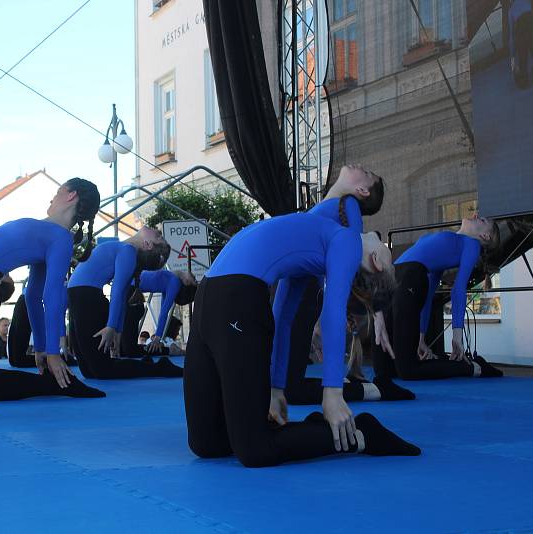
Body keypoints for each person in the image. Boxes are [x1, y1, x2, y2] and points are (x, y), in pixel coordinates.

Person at [184, 211, 420, 467]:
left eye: (392, 263)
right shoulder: (325, 242)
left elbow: (332, 313)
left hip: (235, 299)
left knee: (255, 451)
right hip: (211, 297)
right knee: (207, 444)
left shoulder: (346, 241)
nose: (392, 257)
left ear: (377, 262)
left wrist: (332, 393)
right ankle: (312, 431)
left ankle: (361, 434)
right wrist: (275, 388)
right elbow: (283, 318)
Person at [0, 178, 105, 401]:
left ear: (71, 195)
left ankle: (54, 384)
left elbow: (51, 296)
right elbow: (32, 297)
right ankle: (51, 382)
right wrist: (40, 348)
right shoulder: (47, 230)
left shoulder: (62, 238)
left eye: (57, 192)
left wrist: (53, 353)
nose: (52, 198)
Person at [281, 165, 414, 405]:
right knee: (279, 381)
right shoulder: (331, 209)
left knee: (289, 389)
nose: (361, 168)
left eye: (367, 174)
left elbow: (350, 261)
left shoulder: (349, 206)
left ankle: (370, 390)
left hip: (303, 293)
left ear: (361, 190)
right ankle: (361, 387)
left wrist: (377, 312)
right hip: (297, 289)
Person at [371, 214, 503, 381]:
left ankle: (472, 367)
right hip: (391, 279)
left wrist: (457, 336)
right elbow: (427, 297)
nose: (476, 215)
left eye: (483, 221)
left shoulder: (471, 244)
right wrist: (420, 337)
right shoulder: (445, 243)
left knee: (408, 371)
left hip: (409, 278)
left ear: (485, 236)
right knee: (383, 371)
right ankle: (443, 362)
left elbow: (458, 289)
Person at [68, 227, 184, 379]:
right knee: (88, 371)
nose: (158, 231)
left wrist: (111, 327)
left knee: (101, 370)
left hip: (88, 299)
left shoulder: (128, 251)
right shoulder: (125, 249)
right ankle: (150, 365)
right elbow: (122, 295)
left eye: (158, 236)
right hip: (79, 298)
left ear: (147, 244)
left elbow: (117, 290)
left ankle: (159, 367)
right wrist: (117, 330)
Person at [119, 270, 197, 357]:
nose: (193, 277)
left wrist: (157, 338)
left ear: (187, 283)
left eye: (193, 280)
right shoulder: (171, 277)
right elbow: (163, 312)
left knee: (129, 350)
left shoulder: (174, 283)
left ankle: (168, 350)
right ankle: (168, 350)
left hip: (132, 302)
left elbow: (163, 312)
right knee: (122, 349)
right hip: (130, 300)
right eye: (194, 278)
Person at [508, 0, 533, 88]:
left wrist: (512, 55)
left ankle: (524, 82)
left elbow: (511, 34)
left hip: (521, 31)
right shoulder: (526, 1)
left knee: (522, 58)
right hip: (531, 25)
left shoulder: (510, 11)